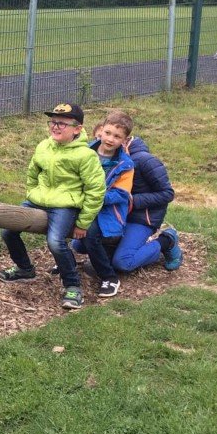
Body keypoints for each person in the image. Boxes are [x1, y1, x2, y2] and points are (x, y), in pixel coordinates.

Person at [0, 102, 106, 310]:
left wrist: (83, 223)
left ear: (77, 129)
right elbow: (33, 172)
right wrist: (32, 192)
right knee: (8, 230)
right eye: (53, 122)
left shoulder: (85, 156)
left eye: (62, 124)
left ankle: (73, 286)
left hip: (64, 206)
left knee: (55, 242)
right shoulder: (44, 146)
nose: (55, 127)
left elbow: (96, 190)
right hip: (38, 199)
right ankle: (24, 269)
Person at [111, 132, 183, 273]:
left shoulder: (145, 160)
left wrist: (133, 201)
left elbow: (167, 193)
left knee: (123, 262)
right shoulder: (108, 158)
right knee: (80, 245)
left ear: (124, 139)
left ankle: (167, 241)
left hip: (142, 218)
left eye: (114, 135)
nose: (106, 140)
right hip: (118, 215)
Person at [81, 111, 135, 298]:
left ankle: (109, 277)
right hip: (80, 203)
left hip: (107, 211)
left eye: (117, 136)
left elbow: (120, 194)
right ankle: (64, 262)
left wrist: (93, 196)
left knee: (90, 235)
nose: (110, 139)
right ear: (101, 130)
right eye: (108, 133)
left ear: (125, 140)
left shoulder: (125, 165)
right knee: (59, 223)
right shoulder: (85, 152)